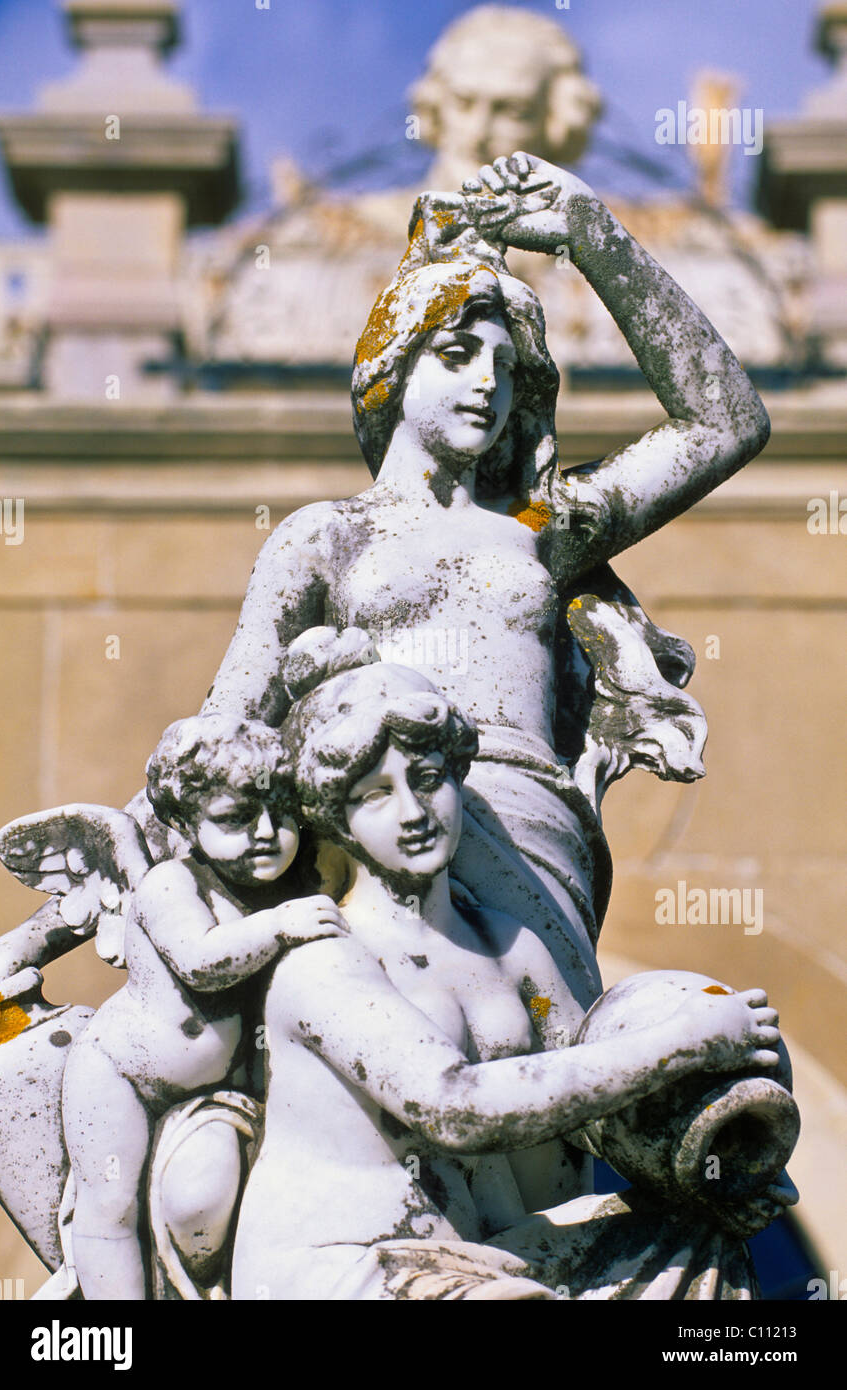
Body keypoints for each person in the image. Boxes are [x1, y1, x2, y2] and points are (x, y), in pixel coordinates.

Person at [200, 152, 769, 1003]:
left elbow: (725, 422)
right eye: (459, 354)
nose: (487, 384)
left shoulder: (539, 529)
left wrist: (590, 234)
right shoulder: (327, 536)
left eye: (508, 369)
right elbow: (230, 727)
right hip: (370, 815)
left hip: (528, 826)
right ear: (390, 368)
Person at [230, 640, 782, 1301]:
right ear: (334, 818)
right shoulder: (325, 960)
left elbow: (591, 1104)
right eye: (377, 795)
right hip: (348, 1270)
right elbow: (455, 1107)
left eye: (428, 778)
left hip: (478, 1261)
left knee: (696, 1242)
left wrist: (720, 1162)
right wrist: (679, 1041)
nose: (413, 813)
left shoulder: (508, 945)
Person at [59, 713, 345, 1299]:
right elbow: (202, 961)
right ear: (187, 824)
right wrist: (282, 925)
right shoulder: (172, 885)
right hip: (119, 1075)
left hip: (211, 1092)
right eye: (236, 819)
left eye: (282, 812)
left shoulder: (284, 889)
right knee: (109, 1206)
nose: (266, 832)